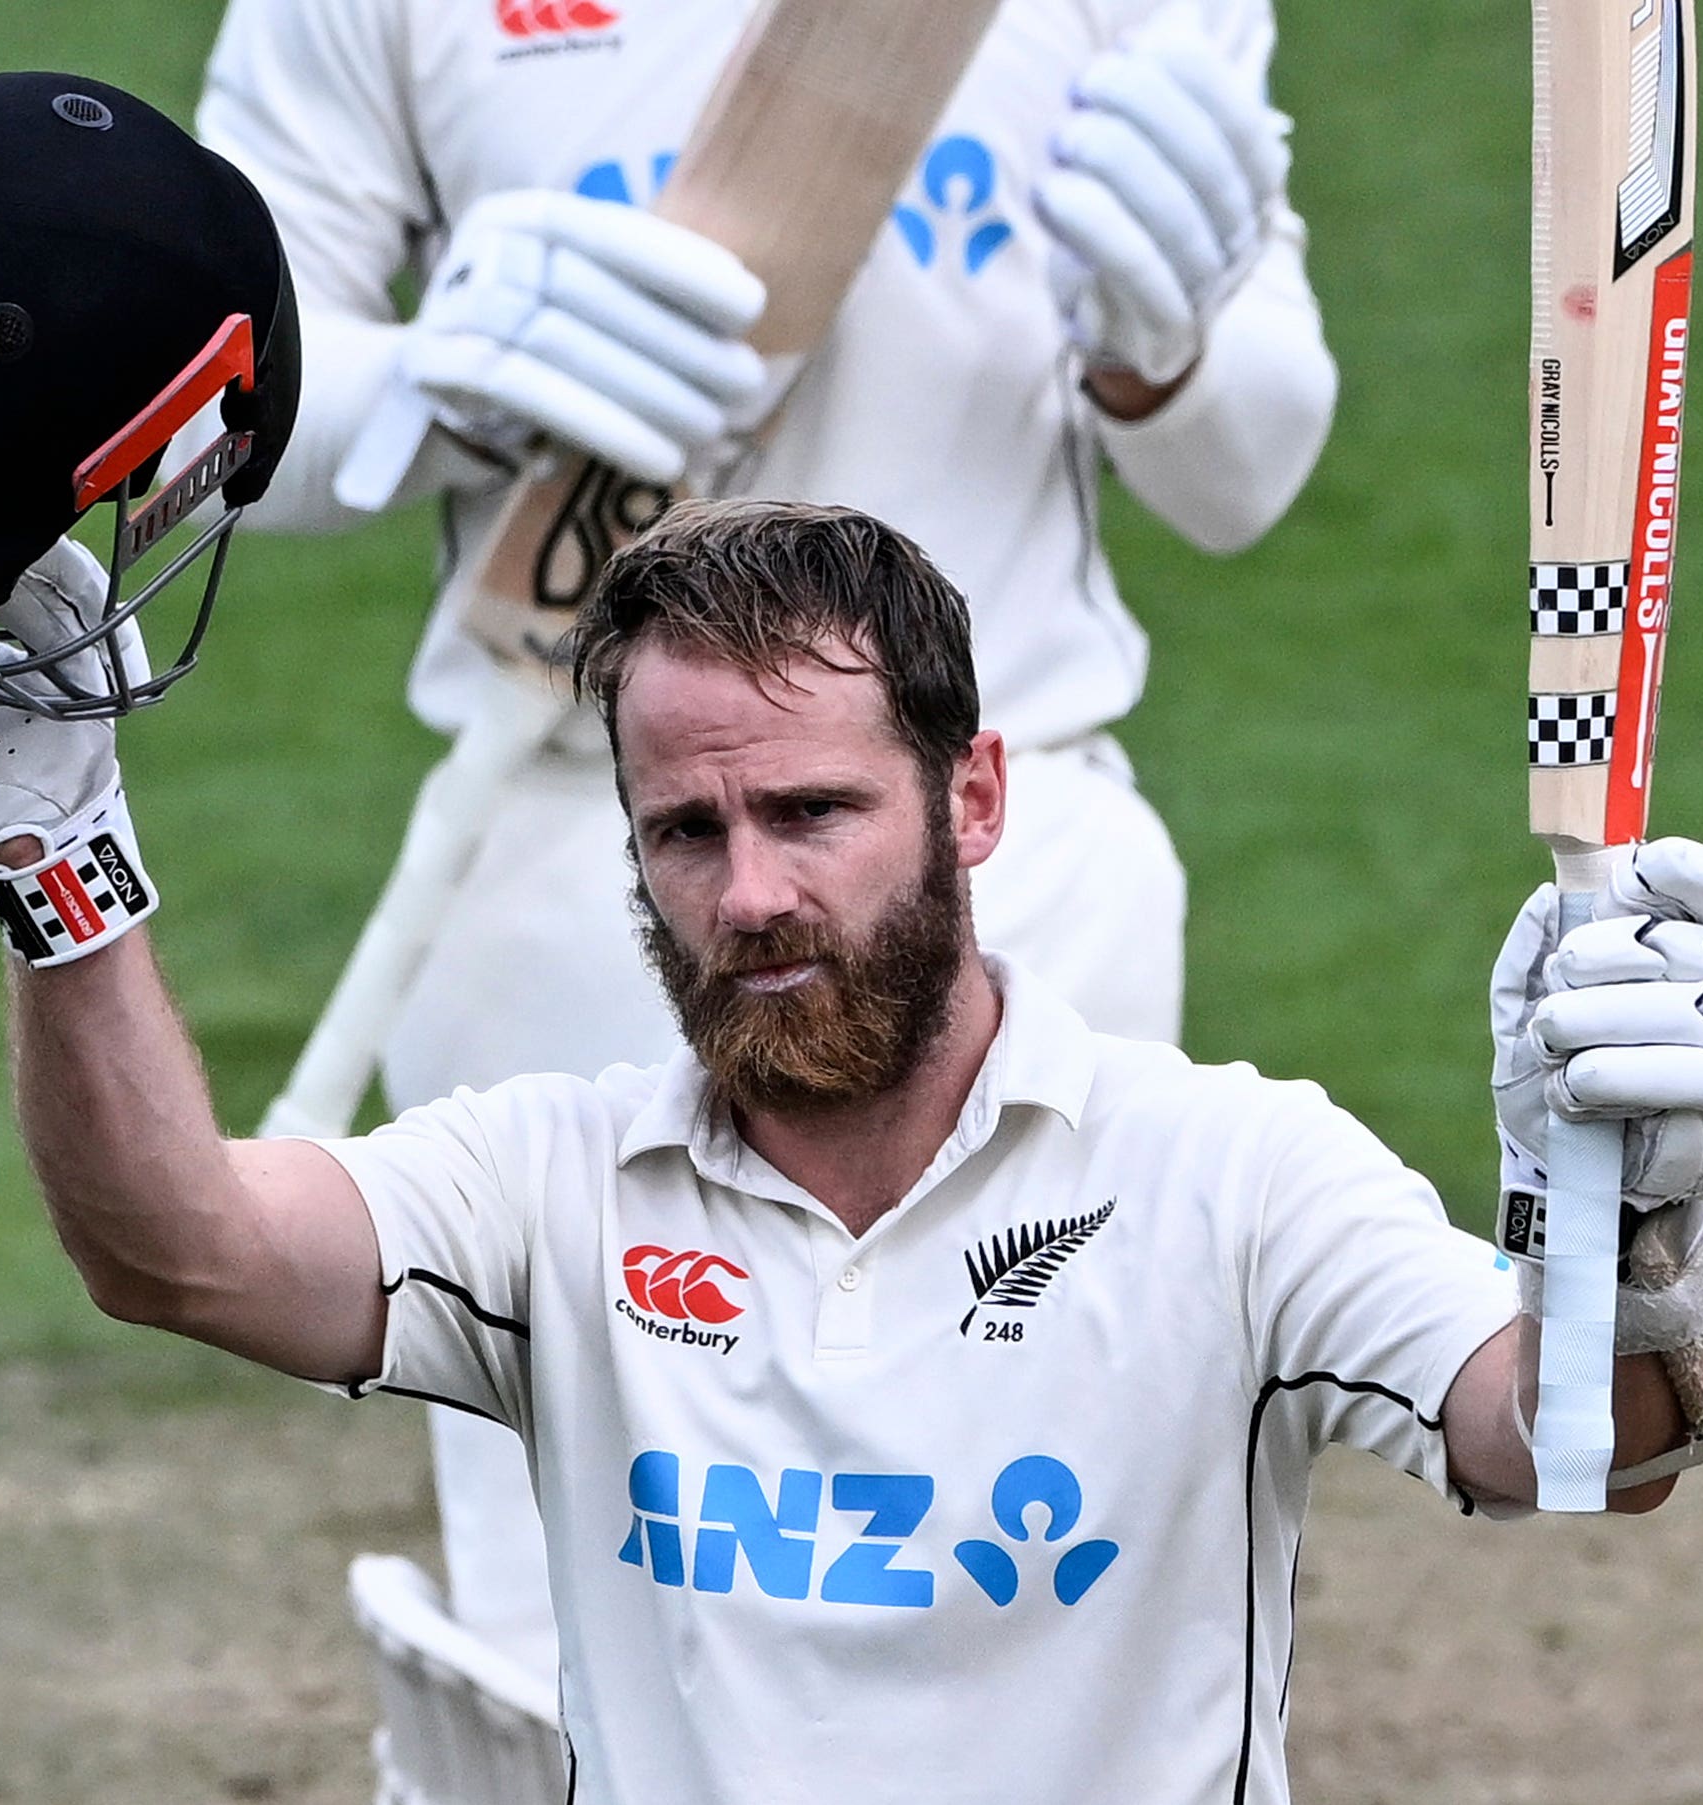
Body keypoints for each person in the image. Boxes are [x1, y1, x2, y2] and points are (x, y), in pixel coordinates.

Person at [0, 484, 1703, 1801]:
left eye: (811, 814)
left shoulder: (1220, 1175)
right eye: (685, 829)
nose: (746, 891)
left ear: (972, 799)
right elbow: (180, 1247)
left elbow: (1570, 1447)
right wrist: (60, 872)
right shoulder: (551, 1188)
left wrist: (1633, 1235)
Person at [195, 0, 1343, 1656]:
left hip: (1010, 865)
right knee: (582, 1639)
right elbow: (211, 388)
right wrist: (435, 375)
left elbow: (1247, 467)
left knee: (1046, 1606)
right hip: (582, 865)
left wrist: (1162, 353)